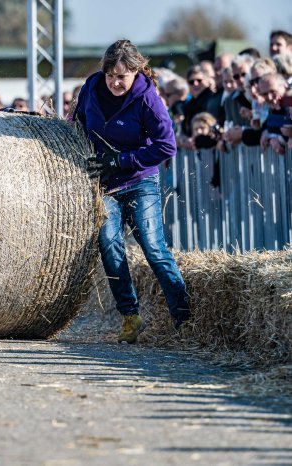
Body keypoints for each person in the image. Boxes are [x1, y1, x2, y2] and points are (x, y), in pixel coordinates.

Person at [71, 39, 190, 344]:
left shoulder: (148, 100)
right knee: (109, 245)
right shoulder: (92, 88)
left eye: (121, 76)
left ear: (136, 72)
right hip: (105, 186)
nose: (114, 82)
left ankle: (183, 316)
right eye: (110, 75)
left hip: (140, 182)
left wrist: (124, 159)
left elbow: (167, 145)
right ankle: (130, 316)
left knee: (153, 247)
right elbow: (78, 124)